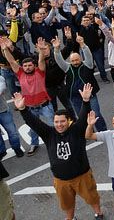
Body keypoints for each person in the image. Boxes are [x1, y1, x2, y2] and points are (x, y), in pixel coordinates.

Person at [14, 84, 105, 220]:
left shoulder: (76, 130)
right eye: (56, 122)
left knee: (92, 197)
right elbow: (34, 123)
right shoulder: (49, 134)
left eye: (62, 121)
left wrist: (86, 102)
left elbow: (83, 117)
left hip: (82, 176)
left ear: (68, 121)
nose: (59, 124)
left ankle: (98, 213)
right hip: (61, 180)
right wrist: (23, 109)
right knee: (66, 204)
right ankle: (70, 218)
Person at [0, 36, 53, 156]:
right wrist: (5, 50)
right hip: (30, 107)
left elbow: (40, 61)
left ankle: (56, 141)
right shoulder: (20, 74)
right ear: (22, 67)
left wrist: (40, 50)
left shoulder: (40, 72)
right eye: (25, 66)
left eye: (30, 65)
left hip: (45, 105)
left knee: (52, 125)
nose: (27, 68)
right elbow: (12, 61)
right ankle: (34, 144)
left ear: (34, 66)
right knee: (33, 127)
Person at [52, 35, 107, 132]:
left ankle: (103, 131)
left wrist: (82, 44)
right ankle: (89, 132)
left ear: (81, 59)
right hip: (75, 96)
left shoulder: (87, 65)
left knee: (96, 114)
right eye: (72, 61)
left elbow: (88, 55)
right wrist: (56, 49)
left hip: (90, 95)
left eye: (77, 60)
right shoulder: (67, 68)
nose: (75, 62)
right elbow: (59, 60)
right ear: (70, 61)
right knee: (82, 117)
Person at [0, 73, 23, 158]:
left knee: (12, 132)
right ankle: (2, 151)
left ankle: (16, 148)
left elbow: (2, 87)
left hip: (3, 110)